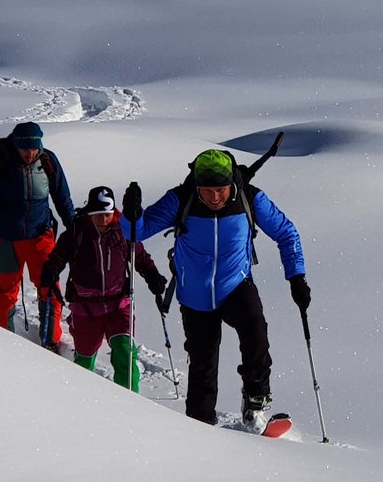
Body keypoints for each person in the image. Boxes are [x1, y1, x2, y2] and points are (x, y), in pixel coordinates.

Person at [123, 149, 308, 427]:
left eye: (220, 190)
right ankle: (200, 425)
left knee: (255, 333)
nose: (214, 197)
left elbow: (286, 233)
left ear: (231, 183)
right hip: (195, 294)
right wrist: (131, 214)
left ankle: (255, 403)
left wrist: (297, 277)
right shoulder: (181, 198)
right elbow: (136, 232)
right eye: (206, 191)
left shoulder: (251, 198)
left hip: (236, 284)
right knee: (202, 365)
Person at [42, 187, 169, 390]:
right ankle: (83, 400)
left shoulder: (122, 231)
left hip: (119, 304)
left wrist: (153, 275)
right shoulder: (77, 232)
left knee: (125, 353)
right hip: (86, 307)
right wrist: (50, 271)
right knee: (84, 358)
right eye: (99, 215)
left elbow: (140, 257)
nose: (104, 220)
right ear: (90, 213)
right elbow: (58, 256)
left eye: (108, 214)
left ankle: (130, 404)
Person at [0, 121, 74, 342]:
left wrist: (74, 227)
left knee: (49, 286)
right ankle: (2, 338)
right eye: (25, 150)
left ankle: (51, 340)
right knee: (7, 288)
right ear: (16, 145)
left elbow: (62, 198)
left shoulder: (48, 161)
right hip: (4, 238)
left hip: (40, 235)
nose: (30, 154)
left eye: (34, 149)